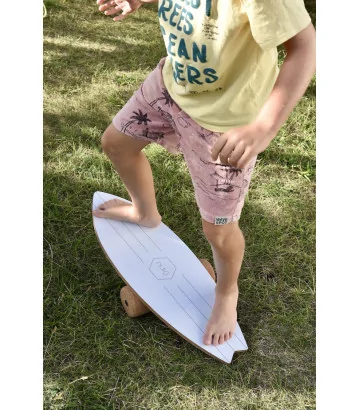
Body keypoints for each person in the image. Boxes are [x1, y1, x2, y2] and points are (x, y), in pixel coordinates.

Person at [93, 0, 316, 346]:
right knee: (116, 144)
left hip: (221, 126)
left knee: (218, 228)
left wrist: (263, 128)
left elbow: (303, 46)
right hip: (170, 87)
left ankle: (227, 291)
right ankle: (145, 213)